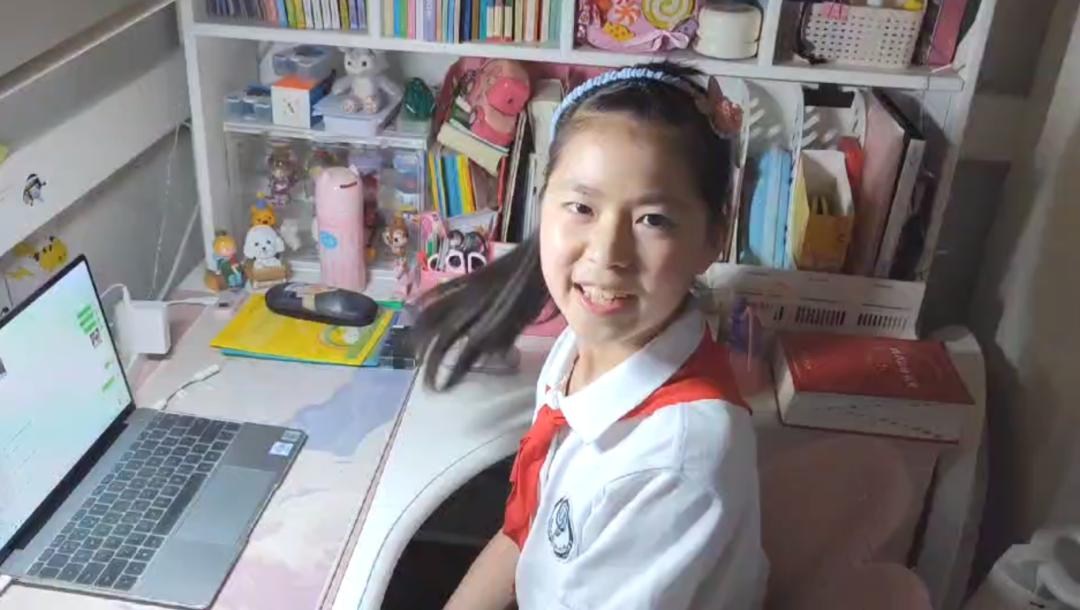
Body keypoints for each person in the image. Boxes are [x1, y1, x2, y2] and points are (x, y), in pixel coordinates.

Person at [412, 61, 768, 610]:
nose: (606, 254)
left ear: (712, 239)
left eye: (652, 220)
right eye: (581, 207)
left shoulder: (674, 458)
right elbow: (526, 530)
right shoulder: (585, 345)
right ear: (542, 202)